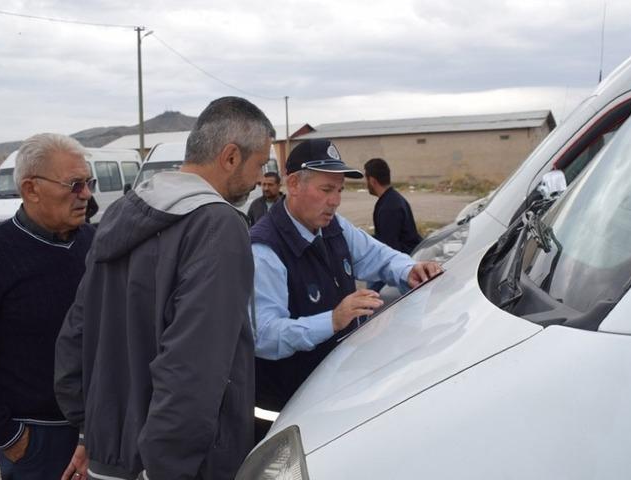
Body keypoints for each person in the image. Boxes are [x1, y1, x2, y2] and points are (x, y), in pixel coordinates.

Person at [54, 96, 275, 480]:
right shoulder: (217, 226)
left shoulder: (119, 214)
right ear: (231, 157)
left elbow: (75, 336)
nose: (260, 180)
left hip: (110, 457)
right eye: (259, 165)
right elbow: (193, 367)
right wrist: (165, 467)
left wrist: (92, 432)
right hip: (177, 467)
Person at [250, 139, 443, 416]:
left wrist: (410, 269)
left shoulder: (333, 226)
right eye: (326, 189)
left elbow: (379, 256)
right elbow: (265, 336)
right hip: (287, 408)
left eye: (339, 190)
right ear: (293, 185)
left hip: (334, 391)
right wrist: (332, 320)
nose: (335, 201)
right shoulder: (265, 250)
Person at [0, 133, 96, 479]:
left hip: (99, 428)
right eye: (74, 185)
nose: (86, 195)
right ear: (31, 189)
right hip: (38, 438)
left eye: (88, 183)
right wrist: (10, 436)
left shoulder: (94, 243)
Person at [364, 157, 423, 254]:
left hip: (406, 261)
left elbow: (390, 249)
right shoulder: (392, 198)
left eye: (366, 180)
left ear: (372, 181)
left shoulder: (389, 207)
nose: (365, 184)